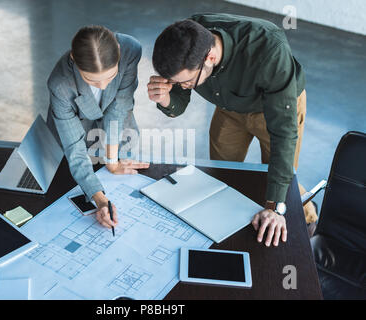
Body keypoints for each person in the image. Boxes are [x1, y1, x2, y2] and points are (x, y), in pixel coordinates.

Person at [147, 13, 317, 247]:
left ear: (211, 57)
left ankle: (307, 216)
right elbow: (179, 103)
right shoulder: (188, 39)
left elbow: (284, 137)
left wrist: (274, 208)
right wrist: (167, 98)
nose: (182, 87)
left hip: (276, 110)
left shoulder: (270, 50)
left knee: (278, 178)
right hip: (229, 106)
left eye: (186, 82)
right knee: (223, 171)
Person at [47, 25, 149, 229]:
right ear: (74, 60)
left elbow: (119, 105)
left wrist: (111, 161)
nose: (103, 86)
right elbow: (75, 148)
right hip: (79, 129)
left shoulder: (130, 50)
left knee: (122, 161)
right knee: (75, 172)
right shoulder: (60, 84)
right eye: (92, 80)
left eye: (110, 77)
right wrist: (100, 199)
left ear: (119, 51)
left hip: (118, 126)